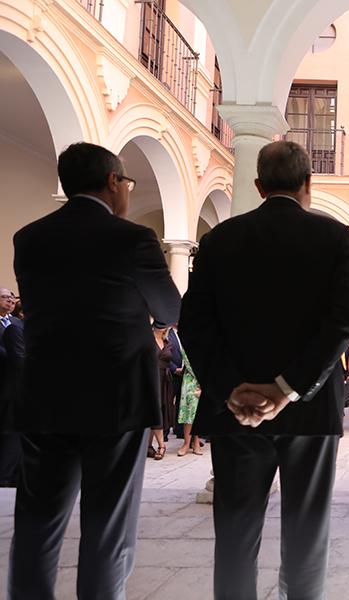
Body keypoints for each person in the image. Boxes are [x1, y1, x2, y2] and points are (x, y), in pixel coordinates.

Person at [179, 140, 349, 599]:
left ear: (258, 186)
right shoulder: (335, 238)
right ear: (308, 184)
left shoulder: (219, 240)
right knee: (306, 533)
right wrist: (287, 388)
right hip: (310, 413)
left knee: (236, 535)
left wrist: (230, 389)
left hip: (236, 413)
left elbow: (194, 325)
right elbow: (342, 322)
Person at [8, 142, 181, 598]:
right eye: (127, 182)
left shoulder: (29, 238)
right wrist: (149, 319)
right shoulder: (132, 239)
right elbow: (169, 306)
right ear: (112, 182)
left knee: (37, 521)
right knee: (108, 525)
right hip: (117, 396)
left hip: (46, 394)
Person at [0, 313, 24, 487]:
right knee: (12, 437)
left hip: (28, 394)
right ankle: (4, 477)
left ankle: (14, 476)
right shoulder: (15, 330)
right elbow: (19, 361)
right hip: (15, 392)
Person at [149, 322, 176, 460]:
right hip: (152, 379)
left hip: (166, 381)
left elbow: (171, 361)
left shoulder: (167, 341)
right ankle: (161, 445)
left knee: (161, 410)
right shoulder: (148, 340)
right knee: (156, 410)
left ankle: (148, 446)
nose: (163, 327)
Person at [176, 350, 203, 456]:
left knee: (199, 414)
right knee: (189, 412)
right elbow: (188, 361)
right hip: (190, 381)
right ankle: (186, 443)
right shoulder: (188, 339)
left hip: (203, 380)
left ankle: (196, 442)